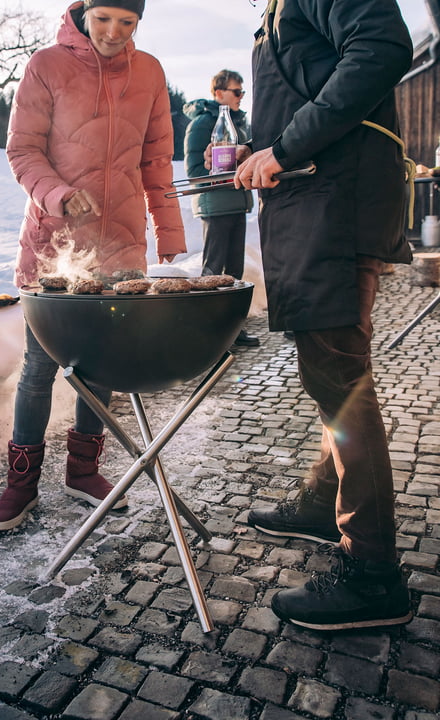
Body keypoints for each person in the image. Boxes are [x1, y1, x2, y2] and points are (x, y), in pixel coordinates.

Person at [234, 0, 415, 630]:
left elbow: (382, 49)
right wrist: (259, 151)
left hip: (334, 205)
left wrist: (284, 147)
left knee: (339, 378)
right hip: (319, 204)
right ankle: (322, 500)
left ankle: (372, 574)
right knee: (333, 375)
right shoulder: (276, 11)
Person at [0, 0, 186, 531]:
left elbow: (156, 161)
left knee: (100, 365)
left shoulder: (149, 72)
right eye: (104, 19)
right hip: (54, 244)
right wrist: (59, 194)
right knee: (39, 367)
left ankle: (83, 471)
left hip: (120, 244)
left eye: (128, 23)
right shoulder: (46, 65)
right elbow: (22, 150)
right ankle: (21, 483)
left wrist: (169, 229)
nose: (114, 33)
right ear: (83, 12)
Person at [183, 69, 258, 348]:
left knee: (235, 270)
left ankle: (231, 330)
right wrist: (215, 167)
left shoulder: (241, 123)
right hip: (215, 205)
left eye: (242, 92)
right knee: (213, 270)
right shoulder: (203, 123)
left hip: (237, 202)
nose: (241, 97)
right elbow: (193, 170)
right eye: (236, 92)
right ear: (219, 93)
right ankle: (207, 331)